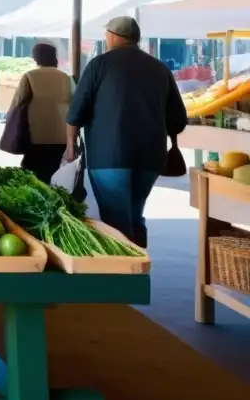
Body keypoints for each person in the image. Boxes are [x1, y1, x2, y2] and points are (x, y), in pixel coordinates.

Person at [66, 17, 186, 247]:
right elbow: (178, 120)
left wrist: (70, 148)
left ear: (112, 36)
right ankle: (140, 267)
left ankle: (126, 275)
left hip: (108, 157)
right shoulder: (160, 68)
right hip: (150, 159)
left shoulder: (98, 65)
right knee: (134, 214)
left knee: (116, 221)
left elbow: (75, 114)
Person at [10, 43, 73, 184]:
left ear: (37, 57)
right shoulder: (66, 78)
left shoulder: (29, 77)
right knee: (55, 172)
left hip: (35, 135)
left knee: (34, 176)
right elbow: (74, 104)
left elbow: (18, 103)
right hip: (60, 135)